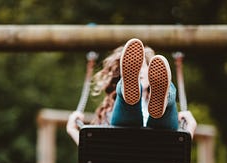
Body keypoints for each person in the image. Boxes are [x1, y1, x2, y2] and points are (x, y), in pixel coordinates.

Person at [67, 38, 197, 145]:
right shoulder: (109, 111)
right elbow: (178, 153)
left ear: (152, 71)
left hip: (154, 142)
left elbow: (93, 154)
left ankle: (164, 99)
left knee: (164, 111)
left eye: (142, 67)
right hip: (152, 149)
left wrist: (73, 130)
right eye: (133, 70)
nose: (138, 72)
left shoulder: (109, 112)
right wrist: (190, 128)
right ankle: (127, 94)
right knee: (125, 107)